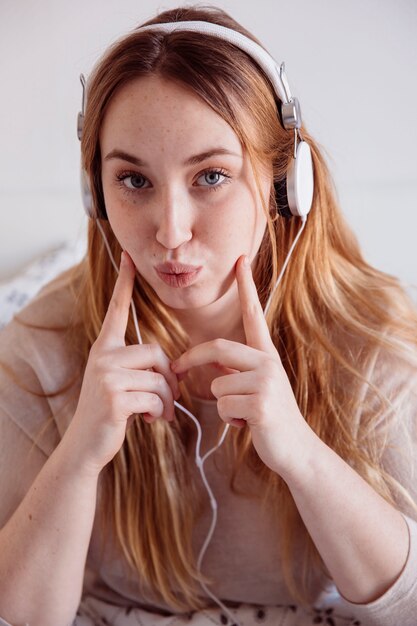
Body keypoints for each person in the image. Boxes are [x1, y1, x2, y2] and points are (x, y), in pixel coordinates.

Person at [0, 5, 416, 626]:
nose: (170, 232)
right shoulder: (40, 347)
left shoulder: (371, 337)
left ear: (284, 183)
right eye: (134, 181)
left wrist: (301, 454)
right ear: (96, 195)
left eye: (212, 175)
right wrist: (79, 456)